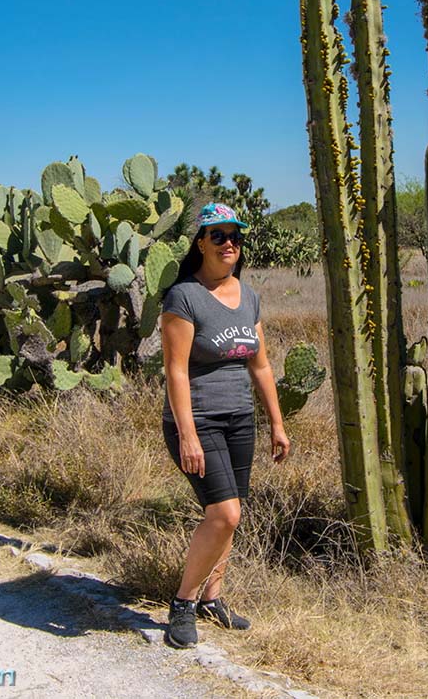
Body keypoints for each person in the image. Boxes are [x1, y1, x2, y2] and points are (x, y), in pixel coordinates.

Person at [158, 202, 291, 649]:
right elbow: (176, 370)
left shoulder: (249, 296)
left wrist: (276, 422)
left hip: (239, 421)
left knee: (230, 518)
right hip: (197, 420)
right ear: (201, 242)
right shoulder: (184, 297)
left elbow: (261, 365)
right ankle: (183, 603)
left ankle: (214, 599)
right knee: (224, 514)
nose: (229, 242)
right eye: (219, 235)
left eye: (235, 234)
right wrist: (188, 433)